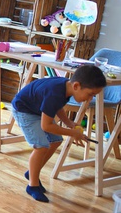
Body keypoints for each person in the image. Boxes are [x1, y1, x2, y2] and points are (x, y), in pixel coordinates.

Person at [11, 65, 106, 202]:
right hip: (24, 111)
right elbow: (46, 125)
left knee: (56, 141)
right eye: (90, 94)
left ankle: (32, 173)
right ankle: (32, 185)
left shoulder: (65, 88)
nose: (89, 99)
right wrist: (72, 132)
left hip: (37, 110)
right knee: (41, 146)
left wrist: (68, 123)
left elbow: (57, 107)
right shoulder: (55, 93)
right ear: (76, 86)